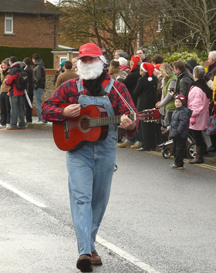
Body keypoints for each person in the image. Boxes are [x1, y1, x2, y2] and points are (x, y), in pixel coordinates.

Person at [41, 43, 137, 272]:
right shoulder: (70, 86)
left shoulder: (116, 88)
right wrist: (62, 112)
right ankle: (84, 250)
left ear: (101, 62)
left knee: (98, 202)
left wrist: (131, 123)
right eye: (82, 60)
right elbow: (46, 108)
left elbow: (131, 114)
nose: (86, 64)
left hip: (105, 151)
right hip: (77, 152)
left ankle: (90, 245)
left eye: (90, 60)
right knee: (81, 198)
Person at [187, 66, 212, 164]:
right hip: (201, 115)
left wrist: (192, 115)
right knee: (198, 136)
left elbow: (197, 105)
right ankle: (201, 153)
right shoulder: (204, 86)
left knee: (197, 136)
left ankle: (199, 157)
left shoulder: (197, 89)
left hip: (196, 117)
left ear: (194, 75)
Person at [117, 55, 142, 148]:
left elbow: (124, 83)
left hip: (131, 98)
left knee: (131, 118)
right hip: (136, 98)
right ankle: (132, 140)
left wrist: (119, 79)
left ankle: (132, 139)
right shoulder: (138, 73)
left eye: (131, 64)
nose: (130, 66)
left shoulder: (133, 74)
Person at [133, 62, 158, 151]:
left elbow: (136, 92)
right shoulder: (155, 78)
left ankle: (146, 145)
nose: (140, 72)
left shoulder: (141, 80)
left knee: (144, 126)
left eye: (141, 70)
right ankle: (152, 145)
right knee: (151, 125)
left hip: (143, 105)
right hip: (152, 104)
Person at [204, 50, 216, 152]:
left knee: (213, 123)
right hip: (213, 100)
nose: (207, 60)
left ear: (211, 60)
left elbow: (215, 87)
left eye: (208, 59)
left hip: (213, 101)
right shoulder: (215, 68)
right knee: (214, 122)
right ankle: (215, 144)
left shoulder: (215, 70)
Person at [169, 94, 192, 169]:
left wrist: (178, 132)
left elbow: (182, 123)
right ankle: (177, 162)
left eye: (179, 102)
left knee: (179, 149)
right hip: (176, 134)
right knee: (175, 148)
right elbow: (174, 123)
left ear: (183, 103)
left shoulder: (183, 112)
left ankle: (179, 164)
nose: (177, 103)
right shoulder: (176, 110)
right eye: (176, 101)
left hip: (180, 134)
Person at [5, 56, 25, 130]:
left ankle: (13, 125)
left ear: (10, 62)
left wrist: (5, 81)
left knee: (13, 109)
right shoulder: (22, 70)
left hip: (14, 92)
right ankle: (22, 124)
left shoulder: (13, 70)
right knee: (21, 108)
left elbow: (8, 81)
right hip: (21, 92)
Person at [155, 63, 177, 129]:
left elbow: (169, 95)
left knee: (169, 129)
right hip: (166, 106)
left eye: (161, 71)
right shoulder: (166, 79)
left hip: (170, 107)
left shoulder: (172, 80)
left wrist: (161, 103)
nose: (161, 73)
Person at [32, 53, 46, 124]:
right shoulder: (41, 66)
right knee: (39, 102)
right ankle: (41, 118)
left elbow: (38, 78)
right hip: (40, 86)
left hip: (38, 87)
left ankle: (41, 118)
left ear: (34, 60)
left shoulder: (38, 67)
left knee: (38, 103)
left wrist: (35, 86)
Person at [0, 60, 11, 129]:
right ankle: (2, 122)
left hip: (7, 92)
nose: (3, 66)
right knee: (2, 108)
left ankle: (8, 122)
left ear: (7, 66)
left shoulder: (10, 72)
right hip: (2, 92)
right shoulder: (1, 72)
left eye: (5, 65)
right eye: (2, 65)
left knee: (8, 108)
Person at [23, 57, 34, 124]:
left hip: (28, 89)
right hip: (30, 88)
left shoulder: (27, 70)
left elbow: (26, 79)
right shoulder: (31, 69)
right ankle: (29, 118)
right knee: (29, 104)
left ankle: (28, 118)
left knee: (27, 104)